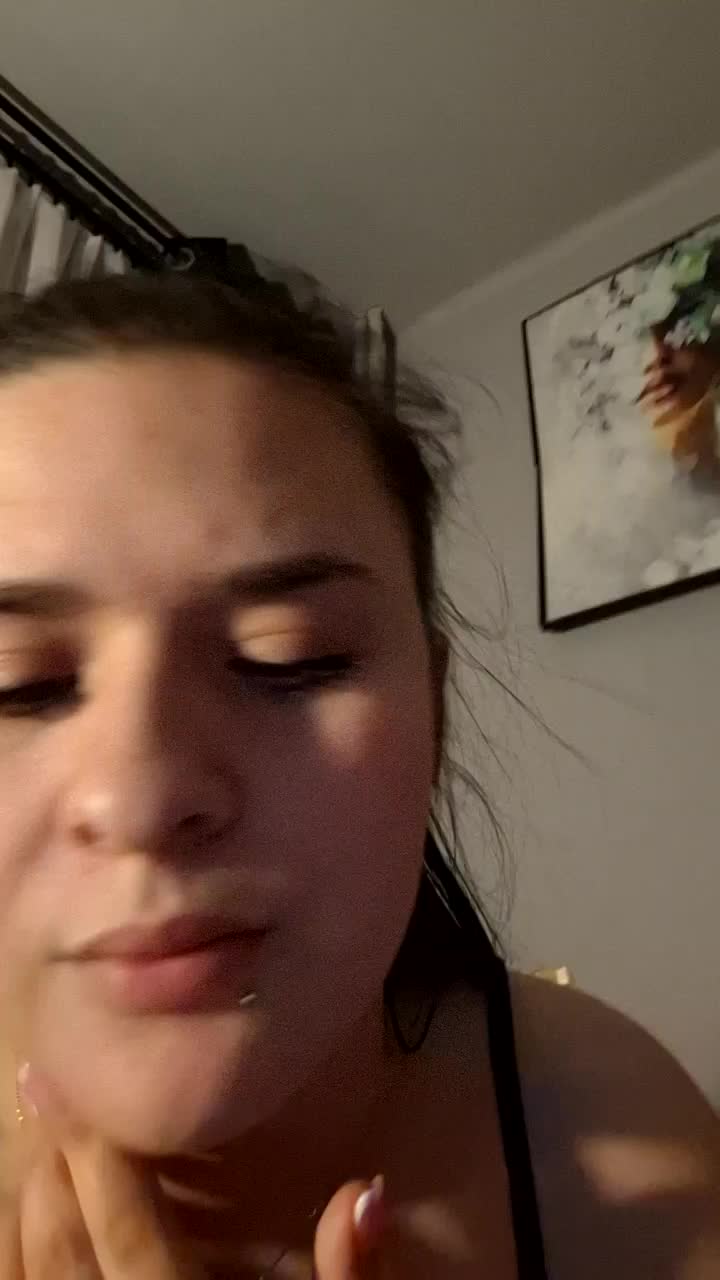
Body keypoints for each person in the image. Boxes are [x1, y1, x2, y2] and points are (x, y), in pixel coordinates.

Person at [0, 273, 716, 1280]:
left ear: (434, 708)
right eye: (18, 682)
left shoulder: (617, 1142)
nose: (142, 794)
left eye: (289, 655)